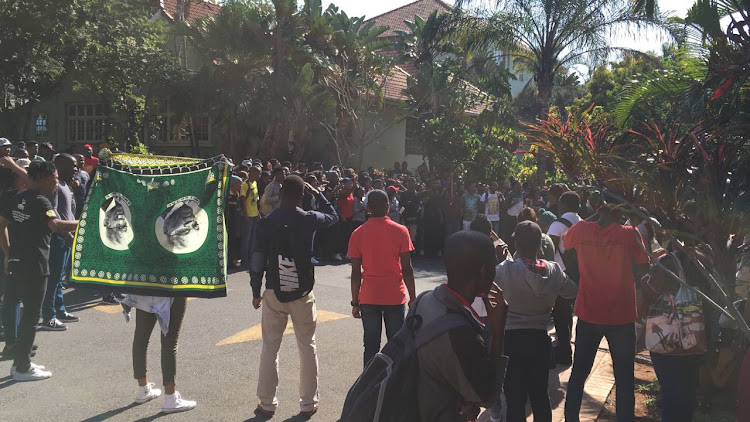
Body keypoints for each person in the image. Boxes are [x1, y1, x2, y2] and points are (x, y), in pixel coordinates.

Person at [250, 175, 338, 418]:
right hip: (302, 292)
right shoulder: (308, 219)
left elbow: (257, 258)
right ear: (302, 195)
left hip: (273, 291)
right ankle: (308, 403)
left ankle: (266, 404)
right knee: (307, 346)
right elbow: (333, 216)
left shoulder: (266, 222)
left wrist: (255, 290)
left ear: (280, 192)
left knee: (270, 347)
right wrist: (318, 193)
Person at [563, 204, 650, 422]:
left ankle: (571, 418)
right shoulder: (629, 234)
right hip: (621, 316)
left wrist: (595, 215)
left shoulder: (581, 229)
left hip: (589, 313)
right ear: (620, 214)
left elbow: (566, 242)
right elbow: (642, 263)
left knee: (579, 373)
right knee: (624, 379)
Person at [415, 230, 509, 422]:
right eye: (494, 265)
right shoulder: (461, 333)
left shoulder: (423, 300)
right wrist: (498, 333)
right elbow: (487, 395)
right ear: (484, 270)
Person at [0, 161, 79, 381]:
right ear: (45, 178)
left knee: (19, 309)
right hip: (35, 266)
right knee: (31, 316)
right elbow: (56, 226)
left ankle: (21, 359)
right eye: (54, 178)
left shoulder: (18, 197)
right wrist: (83, 223)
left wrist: (8, 254)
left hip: (15, 263)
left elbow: (1, 224)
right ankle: (21, 367)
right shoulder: (41, 200)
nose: (56, 183)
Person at [493, 221, 578, 422]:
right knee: (540, 396)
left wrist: (498, 261)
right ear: (540, 244)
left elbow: (487, 285)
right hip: (540, 339)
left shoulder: (505, 270)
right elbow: (572, 291)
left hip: (512, 340)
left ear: (517, 245)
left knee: (515, 400)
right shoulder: (554, 271)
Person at [348, 190, 416, 366]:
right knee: (396, 345)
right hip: (394, 296)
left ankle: (369, 386)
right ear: (388, 207)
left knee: (370, 346)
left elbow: (356, 274)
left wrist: (355, 302)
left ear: (368, 208)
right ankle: (395, 385)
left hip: (369, 297)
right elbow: (407, 269)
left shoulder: (358, 233)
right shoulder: (401, 231)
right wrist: (413, 298)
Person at [639, 253, 703, 422]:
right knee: (687, 395)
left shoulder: (663, 265)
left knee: (670, 394)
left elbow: (642, 309)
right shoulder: (701, 262)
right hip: (693, 345)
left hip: (665, 349)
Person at [40, 154, 80, 331]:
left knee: (59, 278)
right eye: (73, 166)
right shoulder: (55, 187)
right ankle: (49, 316)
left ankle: (59, 310)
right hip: (59, 237)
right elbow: (54, 212)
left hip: (66, 236)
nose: (76, 169)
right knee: (54, 278)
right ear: (61, 166)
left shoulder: (65, 184)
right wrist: (66, 236)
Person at [546, 191, 582, 365]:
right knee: (569, 312)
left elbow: (549, 250)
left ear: (563, 204)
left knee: (560, 313)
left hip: (561, 272)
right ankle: (566, 347)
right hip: (578, 272)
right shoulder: (583, 222)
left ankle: (564, 352)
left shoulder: (557, 225)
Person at [239, 166, 261, 266]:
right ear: (251, 173)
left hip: (255, 214)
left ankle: (250, 258)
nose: (258, 175)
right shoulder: (245, 184)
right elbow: (242, 200)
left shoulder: (255, 183)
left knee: (253, 238)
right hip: (248, 215)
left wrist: (258, 213)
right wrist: (245, 215)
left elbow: (256, 200)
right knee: (246, 239)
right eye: (257, 173)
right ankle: (244, 260)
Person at [400, 178, 421, 249]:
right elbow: (401, 206)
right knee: (405, 235)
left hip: (414, 217)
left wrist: (414, 206)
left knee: (413, 236)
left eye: (413, 183)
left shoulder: (417, 194)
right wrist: (402, 214)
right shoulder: (403, 194)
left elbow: (418, 206)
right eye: (410, 183)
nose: (411, 185)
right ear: (407, 184)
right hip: (405, 217)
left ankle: (412, 250)